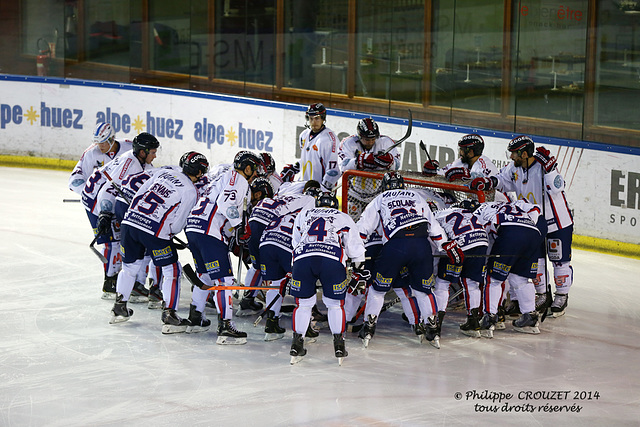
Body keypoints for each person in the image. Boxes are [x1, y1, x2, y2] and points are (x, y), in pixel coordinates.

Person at [356, 171, 464, 349]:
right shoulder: (416, 195)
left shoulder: (380, 198)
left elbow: (363, 228)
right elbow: (433, 226)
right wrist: (445, 245)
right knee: (424, 290)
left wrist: (356, 255)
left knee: (378, 290)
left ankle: (368, 327)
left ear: (384, 186)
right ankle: (432, 328)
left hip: (395, 246)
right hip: (421, 246)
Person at [470, 135, 574, 317]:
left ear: (524, 154)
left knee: (559, 260)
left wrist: (550, 169)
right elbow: (502, 179)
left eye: (514, 154)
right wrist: (489, 182)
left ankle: (561, 296)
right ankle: (542, 295)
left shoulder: (543, 167)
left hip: (557, 221)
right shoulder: (514, 167)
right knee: (537, 261)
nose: (511, 157)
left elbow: (557, 188)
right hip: (533, 222)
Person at [110, 152, 208, 335]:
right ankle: (170, 314)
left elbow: (139, 194)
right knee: (172, 269)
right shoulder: (190, 190)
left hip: (130, 222)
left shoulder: (162, 173)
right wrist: (169, 235)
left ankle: (119, 307)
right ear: (200, 172)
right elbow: (179, 222)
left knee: (129, 267)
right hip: (154, 230)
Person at [184, 150, 262, 344]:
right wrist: (239, 226)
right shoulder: (239, 179)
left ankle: (195, 318)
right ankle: (225, 327)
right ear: (247, 167)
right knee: (224, 280)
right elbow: (225, 203)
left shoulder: (224, 177)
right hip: (209, 231)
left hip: (194, 226)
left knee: (205, 275)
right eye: (254, 169)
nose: (256, 174)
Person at [289, 193, 366, 365]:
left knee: (303, 305)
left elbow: (295, 241)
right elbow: (355, 247)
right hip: (331, 260)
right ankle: (339, 345)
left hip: (303, 258)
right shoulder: (342, 216)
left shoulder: (305, 213)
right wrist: (358, 265)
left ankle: (296, 344)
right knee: (334, 305)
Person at [81, 132, 159, 300]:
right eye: (152, 152)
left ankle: (126, 282)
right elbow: (108, 189)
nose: (155, 155)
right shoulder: (130, 164)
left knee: (119, 240)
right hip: (96, 199)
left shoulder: (140, 162)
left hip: (106, 197)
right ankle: (110, 283)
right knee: (112, 243)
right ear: (142, 152)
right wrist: (104, 214)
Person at [472, 199, 546, 337]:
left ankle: (489, 319)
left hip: (511, 233)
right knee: (520, 279)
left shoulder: (476, 213)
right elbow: (536, 210)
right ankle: (530, 317)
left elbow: (485, 241)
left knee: (493, 278)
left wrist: (486, 262)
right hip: (533, 233)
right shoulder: (509, 204)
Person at [432, 200, 489, 338]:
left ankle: (435, 325)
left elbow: (435, 242)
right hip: (482, 242)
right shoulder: (469, 213)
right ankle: (473, 322)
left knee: (443, 284)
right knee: (472, 284)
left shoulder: (435, 215)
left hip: (459, 245)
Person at [338, 117, 401, 218]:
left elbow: (397, 165)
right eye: (367, 139)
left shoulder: (386, 142)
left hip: (378, 196)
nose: (371, 142)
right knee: (351, 225)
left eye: (373, 139)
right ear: (359, 136)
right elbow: (343, 167)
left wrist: (390, 161)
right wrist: (362, 160)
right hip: (354, 196)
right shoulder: (348, 143)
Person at [280, 103, 341, 192]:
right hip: (304, 186)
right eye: (311, 118)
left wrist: (324, 189)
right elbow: (308, 158)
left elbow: (333, 170)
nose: (313, 122)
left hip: (319, 189)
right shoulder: (304, 135)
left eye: (317, 118)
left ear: (323, 119)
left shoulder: (329, 139)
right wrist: (294, 167)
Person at [68, 123, 131, 195]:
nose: (100, 146)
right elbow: (77, 176)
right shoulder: (91, 153)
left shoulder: (129, 147)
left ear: (112, 139)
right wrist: (87, 194)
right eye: (98, 142)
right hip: (103, 192)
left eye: (103, 142)